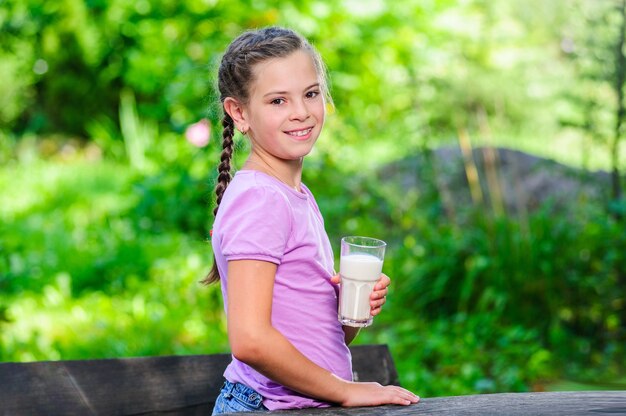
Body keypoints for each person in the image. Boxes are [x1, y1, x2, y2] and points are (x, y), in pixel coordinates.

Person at [204, 26, 420, 414]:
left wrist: (348, 309)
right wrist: (345, 390)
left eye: (310, 93)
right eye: (277, 101)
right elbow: (250, 340)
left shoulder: (295, 196)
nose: (300, 112)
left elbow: (320, 341)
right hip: (265, 406)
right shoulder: (261, 198)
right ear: (239, 112)